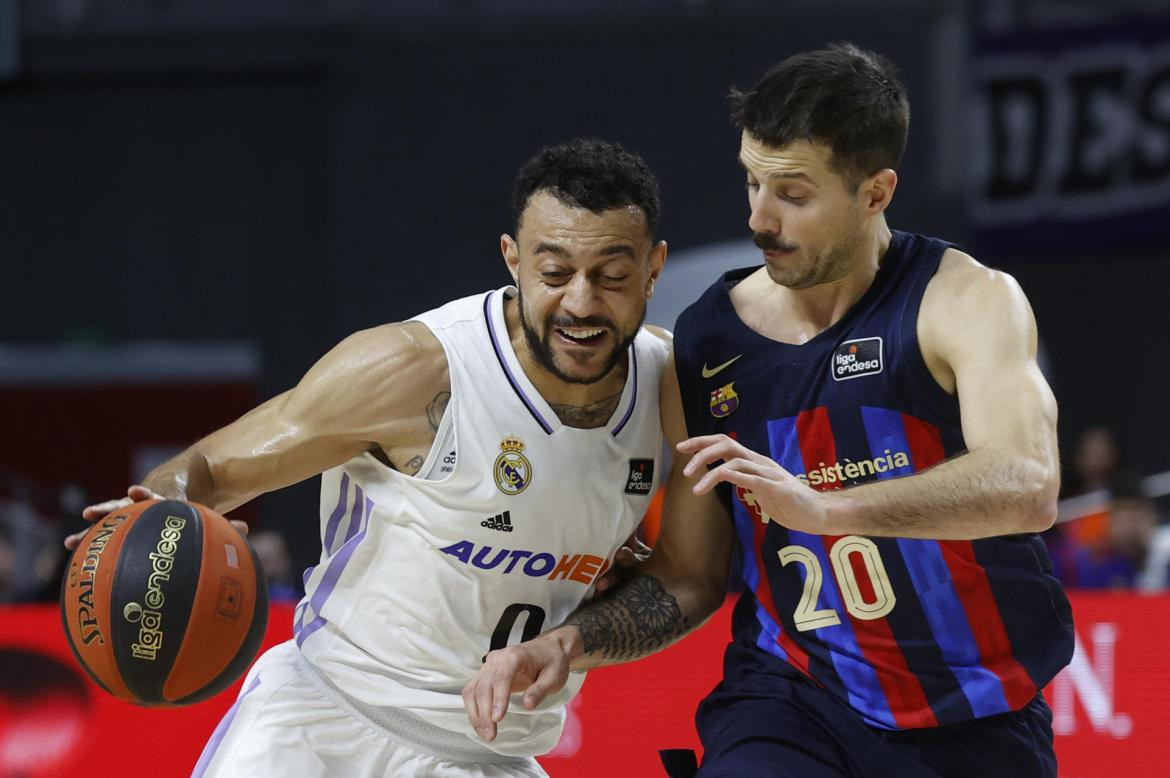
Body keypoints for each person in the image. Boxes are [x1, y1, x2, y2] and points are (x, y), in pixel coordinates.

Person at [462, 44, 1074, 777]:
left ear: (875, 192)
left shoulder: (964, 301)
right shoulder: (710, 335)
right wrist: (569, 641)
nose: (760, 217)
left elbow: (1028, 485)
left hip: (977, 712)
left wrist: (828, 507)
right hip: (791, 699)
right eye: (752, 181)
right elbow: (690, 571)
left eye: (793, 193)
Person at [64, 137, 670, 777]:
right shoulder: (414, 368)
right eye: (554, 274)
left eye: (612, 276)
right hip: (325, 726)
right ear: (512, 261)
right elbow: (209, 470)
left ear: (653, 270)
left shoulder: (668, 389)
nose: (580, 302)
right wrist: (166, 515)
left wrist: (595, 620)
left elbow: (692, 579)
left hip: (490, 757)